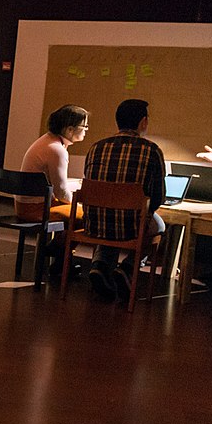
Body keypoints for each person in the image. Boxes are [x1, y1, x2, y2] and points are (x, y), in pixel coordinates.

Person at [82, 98, 166, 302]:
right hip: (130, 227)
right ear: (143, 122)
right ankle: (128, 269)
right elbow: (158, 196)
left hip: (94, 223)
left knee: (112, 218)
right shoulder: (152, 150)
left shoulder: (96, 147)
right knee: (160, 226)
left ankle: (100, 266)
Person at [18, 104, 89, 223]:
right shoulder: (57, 150)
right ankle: (59, 242)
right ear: (69, 129)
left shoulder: (47, 140)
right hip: (37, 209)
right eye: (84, 126)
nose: (86, 130)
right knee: (89, 216)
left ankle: (58, 241)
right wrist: (79, 201)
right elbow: (61, 193)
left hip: (24, 206)